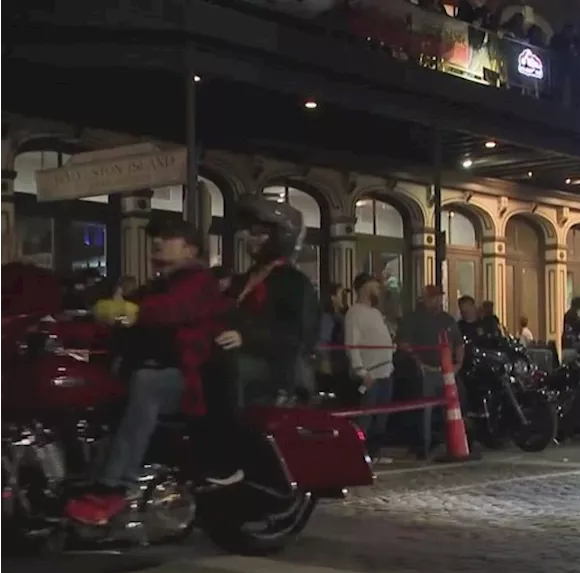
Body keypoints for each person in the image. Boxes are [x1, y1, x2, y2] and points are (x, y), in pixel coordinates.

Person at [65, 218, 232, 525]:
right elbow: (120, 317)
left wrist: (134, 312)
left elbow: (173, 308)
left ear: (190, 248)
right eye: (155, 237)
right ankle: (82, 475)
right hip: (152, 368)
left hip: (186, 375)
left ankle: (115, 487)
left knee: (146, 383)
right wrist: (70, 327)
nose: (157, 243)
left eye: (168, 237)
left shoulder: (199, 281)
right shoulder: (156, 285)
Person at [219, 196, 320, 407]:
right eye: (249, 231)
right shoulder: (243, 279)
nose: (249, 237)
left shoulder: (295, 282)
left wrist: (246, 336)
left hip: (276, 369)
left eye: (259, 232)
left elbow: (299, 333)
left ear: (281, 236)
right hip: (233, 355)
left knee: (229, 368)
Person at [398, 285, 464, 457]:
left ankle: (449, 444)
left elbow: (459, 343)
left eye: (439, 297)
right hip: (425, 370)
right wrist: (417, 362)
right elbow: (404, 343)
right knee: (424, 411)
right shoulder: (413, 318)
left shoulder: (447, 320)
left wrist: (458, 365)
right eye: (433, 297)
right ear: (424, 298)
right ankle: (424, 447)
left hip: (446, 372)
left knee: (450, 409)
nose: (437, 300)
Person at [343, 273, 397, 462]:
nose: (378, 291)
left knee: (381, 417)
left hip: (386, 371)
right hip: (370, 374)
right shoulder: (354, 313)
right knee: (365, 417)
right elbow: (352, 344)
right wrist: (360, 371)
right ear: (365, 288)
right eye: (375, 287)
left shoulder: (375, 313)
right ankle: (357, 454)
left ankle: (374, 453)